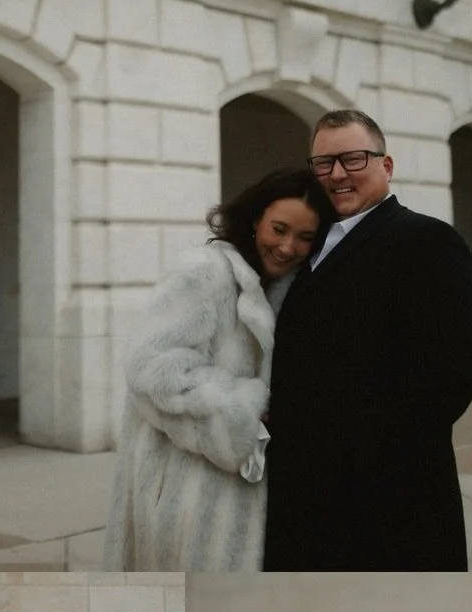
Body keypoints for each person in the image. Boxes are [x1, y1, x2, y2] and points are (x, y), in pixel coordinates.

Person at [262, 109, 472, 570]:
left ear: (386, 166)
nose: (337, 174)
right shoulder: (308, 245)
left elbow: (452, 377)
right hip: (302, 497)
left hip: (386, 502)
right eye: (323, 163)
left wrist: (354, 457)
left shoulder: (427, 241)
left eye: (353, 159)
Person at [103, 168, 333, 570]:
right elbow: (151, 365)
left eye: (304, 237)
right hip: (183, 491)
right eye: (278, 229)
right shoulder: (205, 272)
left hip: (238, 495)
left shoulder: (287, 289)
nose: (287, 246)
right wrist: (241, 410)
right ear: (256, 218)